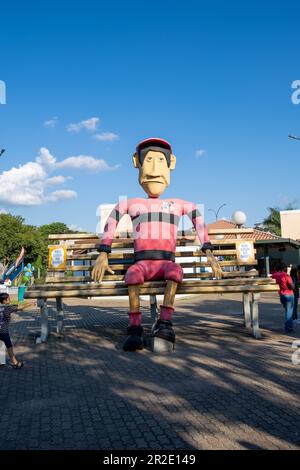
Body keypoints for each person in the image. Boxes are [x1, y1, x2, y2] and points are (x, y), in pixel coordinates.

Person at [92, 138, 222, 352]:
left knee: (175, 273)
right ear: (137, 162)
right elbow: (111, 223)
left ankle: (165, 322)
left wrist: (209, 252)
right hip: (141, 263)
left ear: (172, 164)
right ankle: (134, 328)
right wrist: (103, 253)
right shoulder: (129, 204)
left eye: (160, 161)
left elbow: (199, 222)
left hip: (165, 263)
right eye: (149, 160)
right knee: (132, 276)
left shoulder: (180, 204)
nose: (154, 169)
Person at [0, 293, 24, 368]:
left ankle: (1, 362)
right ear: (5, 300)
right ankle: (15, 363)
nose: (10, 300)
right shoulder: (8, 308)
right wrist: (31, 304)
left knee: (0, 346)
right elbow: (20, 308)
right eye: (9, 298)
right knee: (9, 347)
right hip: (4, 332)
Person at [271, 262, 295, 333]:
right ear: (284, 268)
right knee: (289, 312)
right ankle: (288, 328)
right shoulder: (286, 276)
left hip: (281, 295)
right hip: (289, 295)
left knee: (288, 311)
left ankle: (289, 326)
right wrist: (293, 285)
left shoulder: (274, 275)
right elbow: (291, 287)